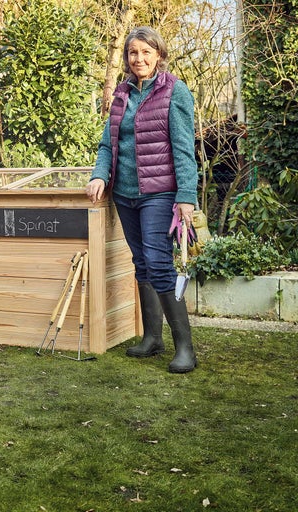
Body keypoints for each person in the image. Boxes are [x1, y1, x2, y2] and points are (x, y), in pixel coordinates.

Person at [85, 26, 198, 374]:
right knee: (142, 264)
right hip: (125, 193)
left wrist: (186, 197)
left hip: (159, 193)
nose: (139, 59)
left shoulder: (174, 91)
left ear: (159, 55)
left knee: (159, 263)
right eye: (133, 53)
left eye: (146, 52)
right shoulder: (122, 94)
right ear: (127, 57)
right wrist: (99, 175)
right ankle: (152, 338)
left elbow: (183, 149)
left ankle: (185, 349)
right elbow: (108, 144)